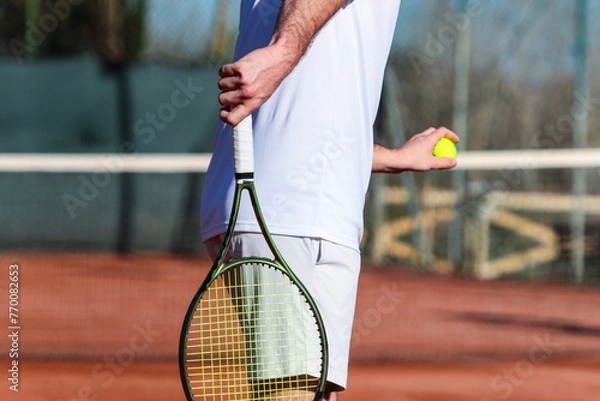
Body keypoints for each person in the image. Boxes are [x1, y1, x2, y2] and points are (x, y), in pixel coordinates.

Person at [200, 1, 459, 399]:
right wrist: (285, 48)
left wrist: (391, 159)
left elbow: (301, 115)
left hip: (264, 203)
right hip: (298, 217)